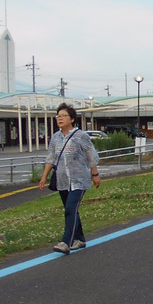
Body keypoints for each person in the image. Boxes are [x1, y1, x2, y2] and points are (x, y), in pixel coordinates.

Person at [38, 103, 101, 253]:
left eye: (63, 116)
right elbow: (51, 157)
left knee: (70, 208)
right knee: (71, 210)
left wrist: (95, 174)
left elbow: (91, 156)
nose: (60, 118)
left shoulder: (81, 136)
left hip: (79, 179)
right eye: (58, 116)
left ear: (72, 119)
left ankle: (66, 241)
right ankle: (80, 239)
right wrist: (44, 176)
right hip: (62, 180)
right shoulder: (55, 138)